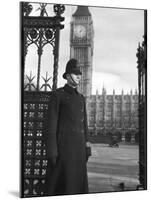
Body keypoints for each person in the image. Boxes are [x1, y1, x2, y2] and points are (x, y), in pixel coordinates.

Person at [46, 58, 91, 196]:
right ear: (67, 75)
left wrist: (87, 146)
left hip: (79, 151)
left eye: (80, 74)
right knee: (63, 187)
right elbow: (51, 125)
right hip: (64, 150)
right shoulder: (57, 95)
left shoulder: (81, 98)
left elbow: (84, 125)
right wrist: (52, 151)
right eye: (75, 73)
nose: (79, 76)